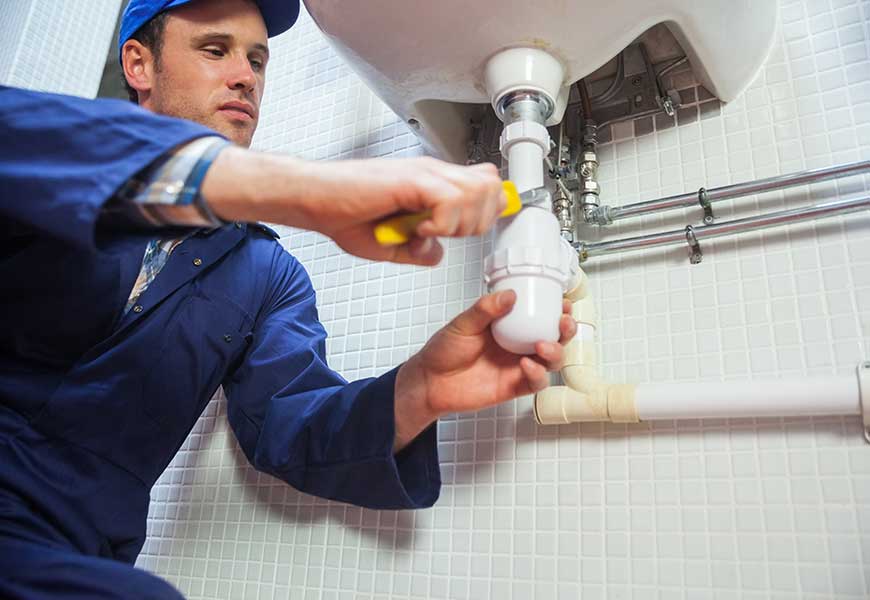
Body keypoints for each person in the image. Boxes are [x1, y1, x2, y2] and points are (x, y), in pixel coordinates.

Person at [0, 0, 576, 597]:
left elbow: (292, 426)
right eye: (214, 49)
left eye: (257, 59)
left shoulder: (266, 273)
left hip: (68, 550)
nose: (246, 76)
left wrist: (419, 389)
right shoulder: (48, 165)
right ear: (139, 64)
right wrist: (302, 189)